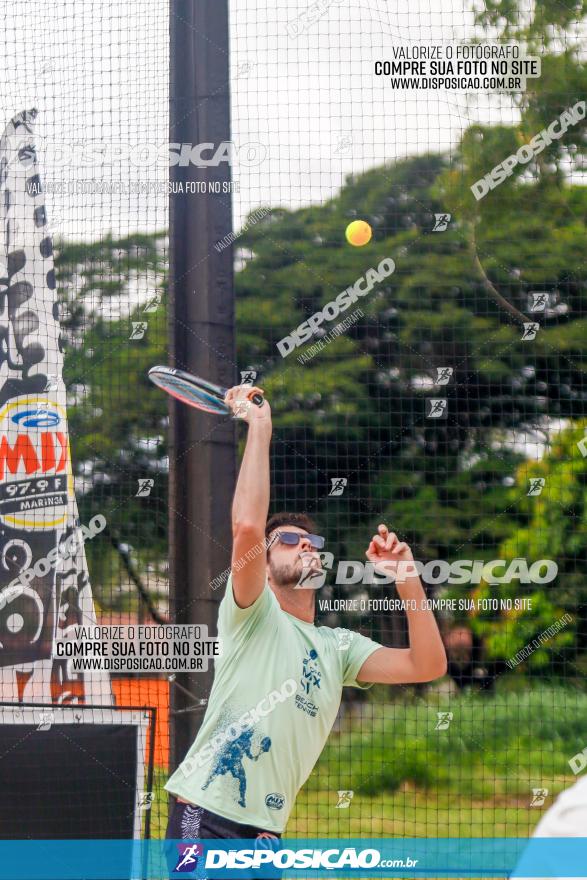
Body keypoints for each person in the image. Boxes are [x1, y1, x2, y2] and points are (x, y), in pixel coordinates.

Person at [165, 384, 447, 843]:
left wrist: (407, 576)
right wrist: (259, 426)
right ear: (266, 562)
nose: (306, 549)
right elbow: (249, 526)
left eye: (313, 543)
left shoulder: (339, 648)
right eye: (290, 541)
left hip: (267, 832)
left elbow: (429, 664)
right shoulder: (253, 614)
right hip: (203, 814)